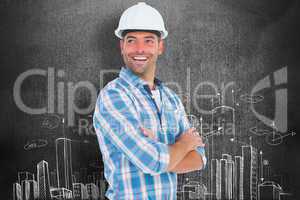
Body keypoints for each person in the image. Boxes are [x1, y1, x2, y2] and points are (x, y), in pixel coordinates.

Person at [93, 2, 206, 199]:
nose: (139, 49)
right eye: (131, 40)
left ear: (160, 46)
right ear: (122, 46)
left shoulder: (171, 99)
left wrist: (161, 151)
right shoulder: (113, 96)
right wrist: (182, 144)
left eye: (148, 41)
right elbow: (150, 161)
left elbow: (199, 158)